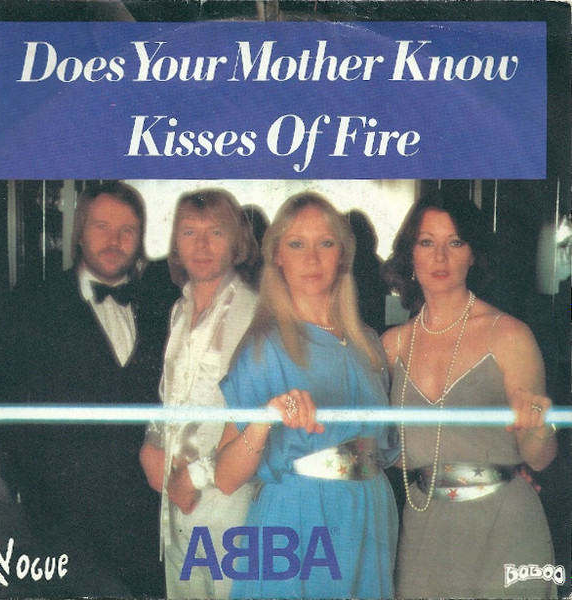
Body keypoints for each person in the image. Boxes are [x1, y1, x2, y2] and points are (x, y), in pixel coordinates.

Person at [215, 192, 399, 600]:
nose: (312, 259)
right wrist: (264, 419)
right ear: (277, 256)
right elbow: (225, 478)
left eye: (325, 243)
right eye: (297, 244)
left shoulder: (370, 344)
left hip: (370, 515)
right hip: (299, 518)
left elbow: (389, 449)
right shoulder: (262, 348)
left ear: (343, 255)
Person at [0, 181, 166, 598]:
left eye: (127, 230)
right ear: (79, 232)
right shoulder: (35, 302)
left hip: (145, 519)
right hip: (63, 516)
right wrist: (25, 490)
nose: (114, 240)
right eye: (102, 226)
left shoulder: (162, 305)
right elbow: (5, 406)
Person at [381, 189, 558, 599]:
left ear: (473, 254)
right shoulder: (392, 346)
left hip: (505, 527)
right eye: (427, 242)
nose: (440, 257)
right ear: (410, 254)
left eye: (455, 242)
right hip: (423, 528)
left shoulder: (509, 335)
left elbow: (541, 458)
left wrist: (537, 426)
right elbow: (384, 451)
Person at [140, 188, 260, 600]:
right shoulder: (180, 309)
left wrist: (195, 477)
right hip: (175, 499)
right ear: (176, 243)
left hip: (226, 499)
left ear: (236, 241)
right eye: (190, 232)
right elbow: (172, 396)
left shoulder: (251, 312)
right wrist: (152, 442)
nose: (202, 245)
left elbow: (252, 417)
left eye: (216, 232)